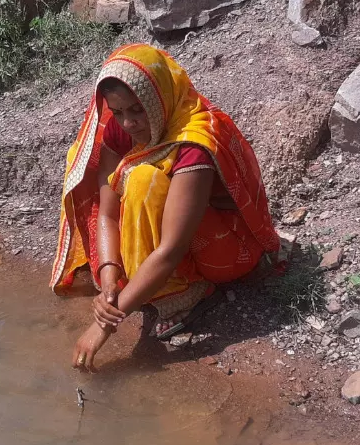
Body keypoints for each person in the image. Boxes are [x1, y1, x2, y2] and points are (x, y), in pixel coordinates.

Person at [49, 44, 285, 372]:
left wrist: (103, 326)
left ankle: (188, 293)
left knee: (143, 178)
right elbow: (107, 213)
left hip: (224, 248)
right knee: (124, 178)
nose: (128, 123)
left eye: (137, 110)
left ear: (159, 97)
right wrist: (108, 280)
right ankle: (148, 285)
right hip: (175, 239)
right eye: (118, 112)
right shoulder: (121, 129)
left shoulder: (194, 144)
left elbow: (171, 250)